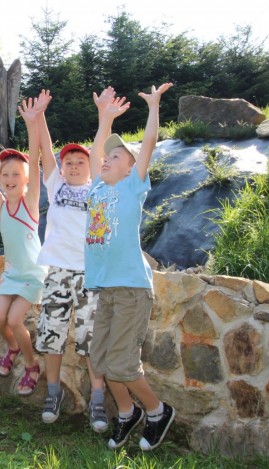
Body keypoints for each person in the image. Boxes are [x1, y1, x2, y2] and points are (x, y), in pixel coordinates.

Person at [85, 83, 175, 451]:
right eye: (107, 157)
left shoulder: (131, 187)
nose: (107, 160)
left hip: (132, 289)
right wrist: (104, 117)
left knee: (122, 364)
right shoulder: (97, 188)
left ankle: (156, 411)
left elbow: (149, 143)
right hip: (107, 289)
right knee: (100, 360)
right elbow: (96, 150)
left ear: (130, 168)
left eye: (117, 156)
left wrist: (154, 107)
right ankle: (127, 412)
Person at [28, 90, 107, 432]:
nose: (74, 166)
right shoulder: (55, 186)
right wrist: (41, 116)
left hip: (90, 274)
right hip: (58, 272)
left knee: (92, 338)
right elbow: (45, 150)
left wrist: (104, 116)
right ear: (62, 168)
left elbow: (101, 149)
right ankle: (53, 392)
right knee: (52, 334)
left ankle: (99, 399)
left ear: (90, 168)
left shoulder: (98, 188)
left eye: (80, 162)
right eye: (69, 162)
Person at [0, 95, 46, 396]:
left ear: (26, 180)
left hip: (33, 275)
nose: (10, 178)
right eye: (5, 174)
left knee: (15, 319)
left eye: (16, 174)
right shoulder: (1, 205)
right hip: (12, 274)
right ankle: (13, 347)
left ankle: (31, 366)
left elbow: (35, 159)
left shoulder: (30, 203)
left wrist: (32, 124)